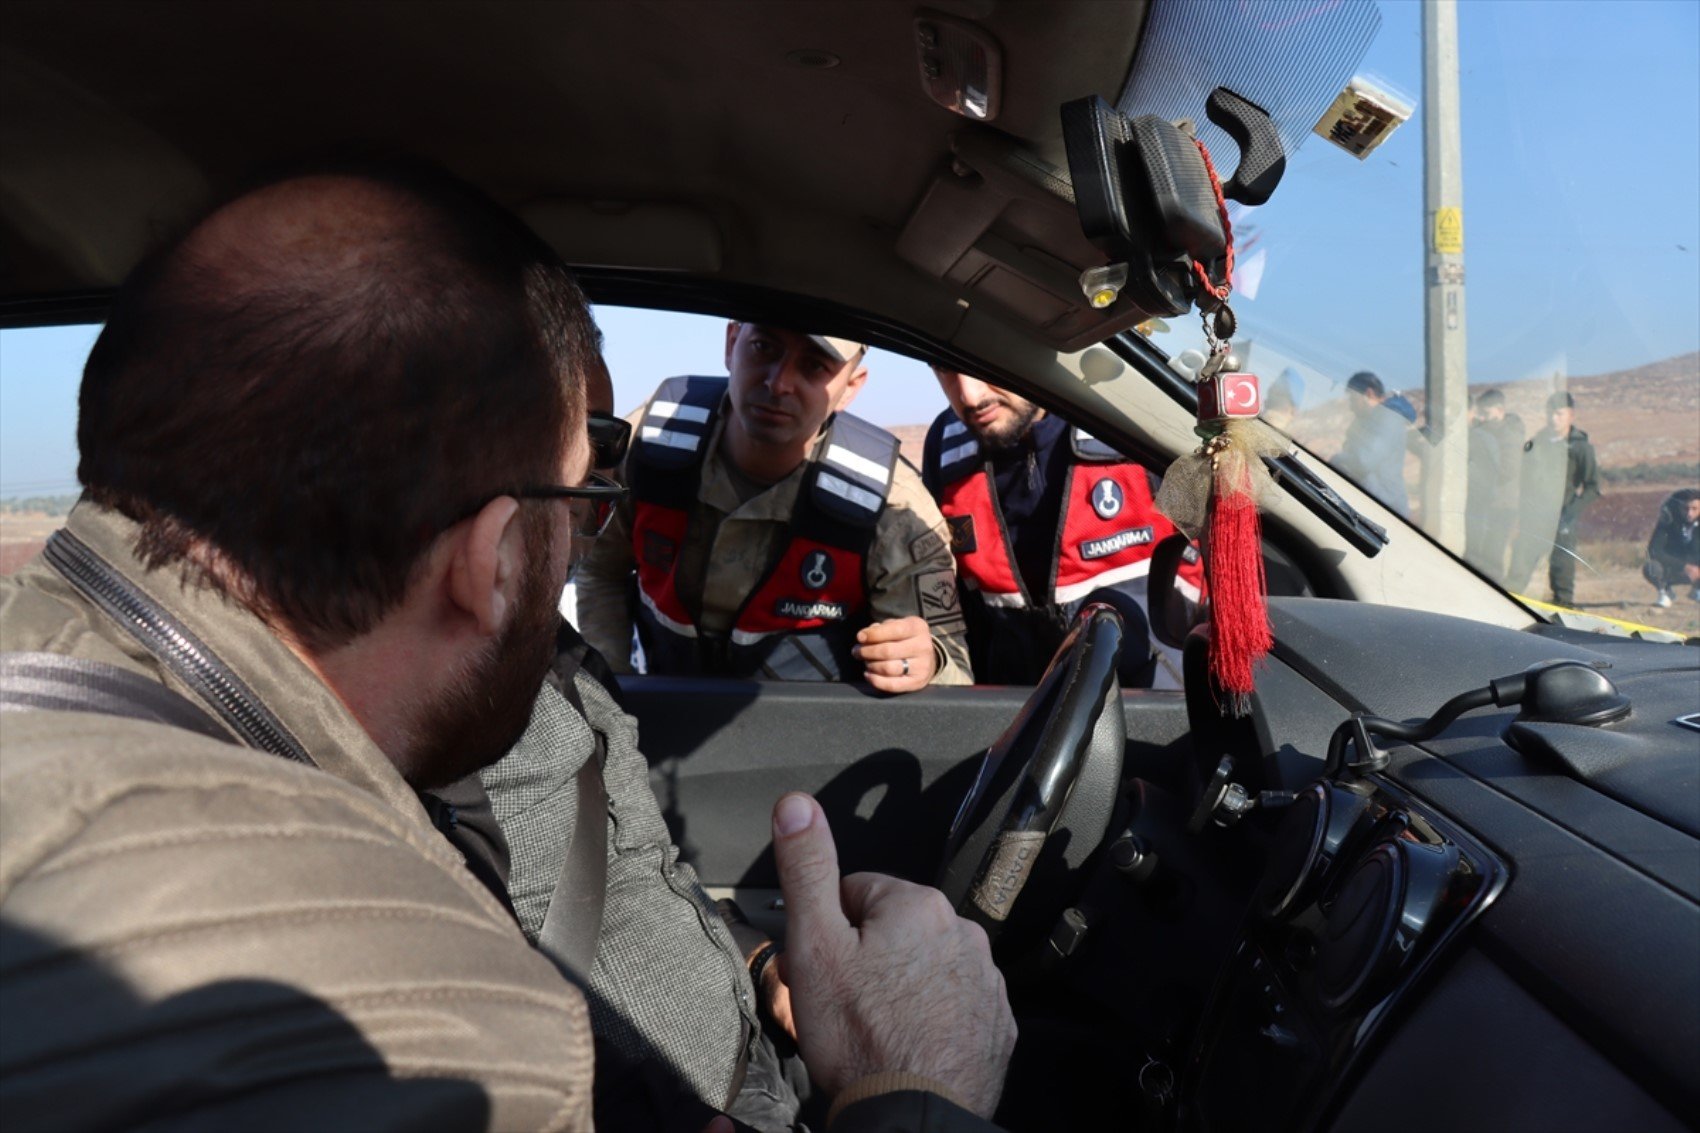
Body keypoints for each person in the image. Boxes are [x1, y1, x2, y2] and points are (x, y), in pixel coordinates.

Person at [0, 162, 1015, 1132]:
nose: (594, 524)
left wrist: (753, 967)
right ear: (487, 562)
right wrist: (919, 1092)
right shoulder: (454, 1032)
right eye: (583, 490)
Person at [576, 324, 972, 692]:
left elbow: (952, 677)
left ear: (851, 386)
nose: (778, 382)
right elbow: (600, 569)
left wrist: (926, 664)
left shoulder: (895, 509)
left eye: (814, 365)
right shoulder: (652, 442)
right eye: (764, 347)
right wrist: (611, 688)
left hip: (809, 750)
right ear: (732, 344)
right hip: (658, 725)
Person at [920, 367, 1203, 688]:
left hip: (1162, 709)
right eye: (944, 370)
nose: (969, 396)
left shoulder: (1134, 420)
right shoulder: (944, 449)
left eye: (983, 366)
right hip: (1020, 717)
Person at [1509, 391, 1601, 607]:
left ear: (1571, 415)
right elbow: (1523, 481)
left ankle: (1561, 629)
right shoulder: (1536, 443)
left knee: (1562, 581)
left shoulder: (1580, 447)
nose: (1554, 418)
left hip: (1562, 522)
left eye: (1559, 414)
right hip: (1533, 520)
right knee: (1516, 576)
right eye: (1550, 413)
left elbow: (1593, 487)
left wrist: (1569, 515)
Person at [1464, 388, 1524, 582]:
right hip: (1488, 502)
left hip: (1502, 505)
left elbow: (1508, 470)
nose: (1483, 418)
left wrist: (1474, 473)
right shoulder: (1489, 432)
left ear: (1499, 410)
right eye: (1481, 413)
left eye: (1487, 413)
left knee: (1493, 556)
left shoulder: (1510, 435)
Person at [1333, 371, 1412, 517]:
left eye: (1353, 399)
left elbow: (1364, 461)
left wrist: (1336, 460)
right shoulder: (1366, 420)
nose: (1351, 406)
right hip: (1371, 499)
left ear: (1368, 394)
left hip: (1387, 508)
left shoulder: (1389, 419)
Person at [1643, 488, 1700, 607]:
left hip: (1697, 569)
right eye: (1686, 509)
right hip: (1673, 568)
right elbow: (1654, 551)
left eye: (1694, 509)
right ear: (1679, 508)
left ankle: (1697, 590)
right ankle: (1665, 593)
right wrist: (1684, 566)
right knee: (1651, 567)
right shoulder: (1668, 523)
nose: (1689, 513)